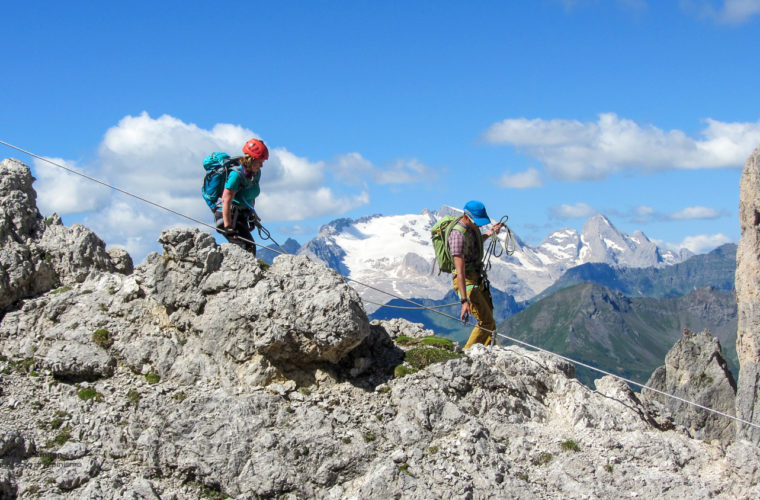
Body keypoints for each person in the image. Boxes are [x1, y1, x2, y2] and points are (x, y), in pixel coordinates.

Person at [449, 200, 505, 349]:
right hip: (466, 282)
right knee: (486, 321)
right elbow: (459, 271)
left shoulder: (471, 228)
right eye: (477, 221)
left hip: (476, 277)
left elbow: (476, 242)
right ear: (467, 216)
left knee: (489, 318)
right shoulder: (457, 235)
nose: (479, 225)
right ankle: (467, 355)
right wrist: (464, 301)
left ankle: (485, 350)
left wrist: (490, 232)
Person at [215, 138, 269, 256]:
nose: (261, 165)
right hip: (229, 216)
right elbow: (226, 201)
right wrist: (228, 226)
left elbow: (250, 196)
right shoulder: (236, 175)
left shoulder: (256, 174)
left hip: (242, 215)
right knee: (246, 247)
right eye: (260, 162)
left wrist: (252, 216)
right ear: (251, 160)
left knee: (247, 247)